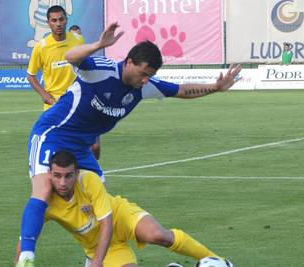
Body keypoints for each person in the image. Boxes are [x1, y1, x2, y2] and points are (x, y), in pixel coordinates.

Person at [17, 22, 242, 264]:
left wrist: (216, 87)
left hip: (82, 147)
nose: (146, 80)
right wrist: (98, 45)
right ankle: (27, 256)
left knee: (96, 204)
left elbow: (181, 90)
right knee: (44, 191)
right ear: (129, 62)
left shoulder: (143, 88)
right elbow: (70, 56)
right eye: (143, 73)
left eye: (150, 76)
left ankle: (97, 257)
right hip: (53, 133)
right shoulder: (101, 71)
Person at [16, 150, 232, 267]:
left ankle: (218, 261)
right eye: (57, 176)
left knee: (159, 235)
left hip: (119, 216)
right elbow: (26, 236)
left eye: (68, 175)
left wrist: (97, 264)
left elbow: (107, 221)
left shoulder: (88, 180)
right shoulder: (44, 203)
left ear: (76, 173)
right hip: (103, 246)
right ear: (50, 174)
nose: (63, 182)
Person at [27, 6, 101, 158]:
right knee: (59, 152)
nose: (58, 23)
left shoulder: (77, 40)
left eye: (61, 19)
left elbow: (85, 65)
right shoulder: (41, 47)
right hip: (55, 105)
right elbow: (31, 75)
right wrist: (44, 95)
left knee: (94, 147)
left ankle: (88, 176)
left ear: (66, 20)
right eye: (54, 20)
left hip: (79, 100)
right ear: (48, 23)